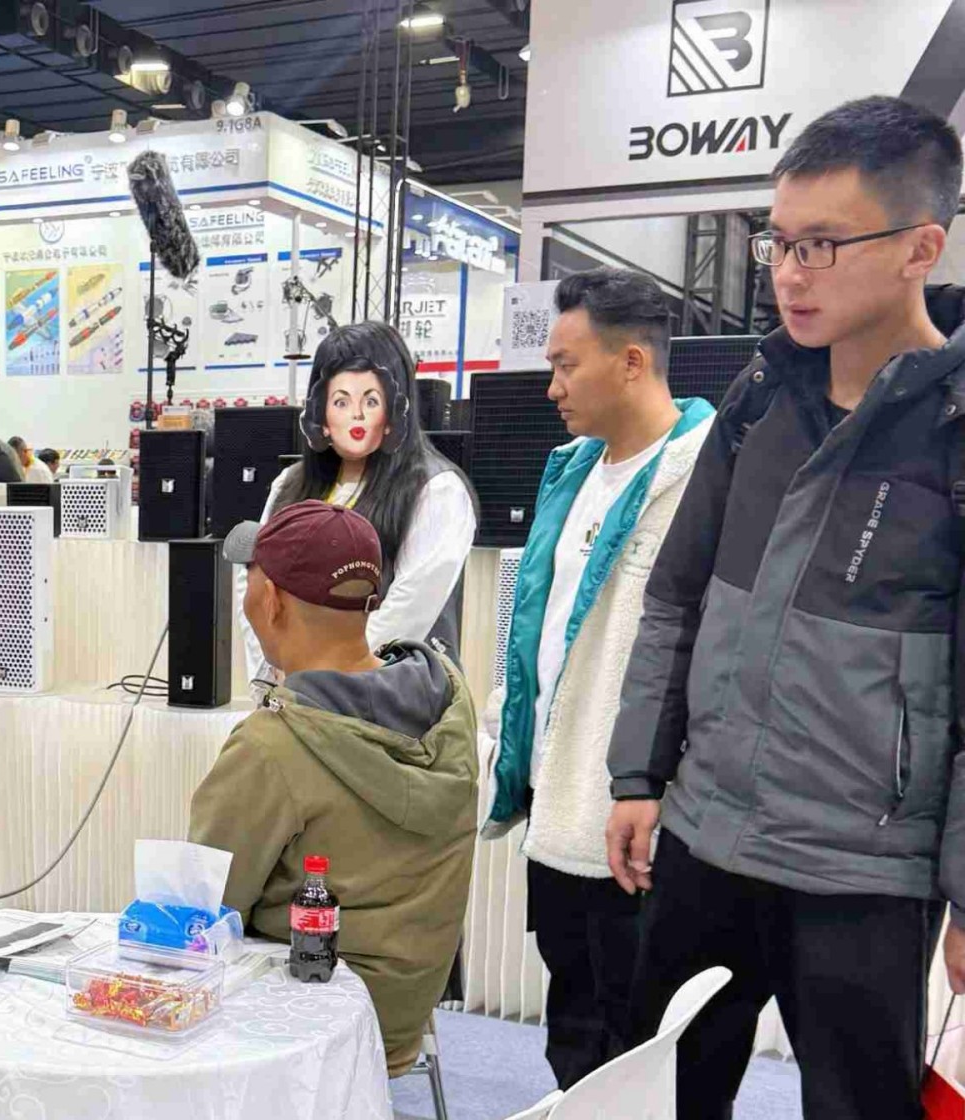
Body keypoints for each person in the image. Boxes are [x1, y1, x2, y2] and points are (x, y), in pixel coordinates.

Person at [606, 95, 965, 1118]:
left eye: (823, 245)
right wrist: (639, 773)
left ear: (921, 247)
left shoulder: (951, 431)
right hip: (707, 834)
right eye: (780, 243)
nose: (790, 273)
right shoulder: (758, 400)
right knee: (652, 1093)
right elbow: (676, 596)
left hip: (865, 872)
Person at [481, 268, 714, 1089]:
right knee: (574, 1022)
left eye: (566, 365)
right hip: (558, 800)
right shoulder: (569, 471)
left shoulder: (706, 476)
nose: (551, 387)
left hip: (642, 816)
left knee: (643, 1038)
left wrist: (655, 782)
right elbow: (535, 628)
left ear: (632, 362)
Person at [189, 500, 478, 1077]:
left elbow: (204, 908)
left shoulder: (272, 746)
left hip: (302, 1024)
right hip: (401, 1013)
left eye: (251, 578)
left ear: (271, 601)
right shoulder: (449, 701)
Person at [241, 321, 476, 684]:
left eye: (370, 400)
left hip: (391, 700)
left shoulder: (437, 491)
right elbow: (256, 587)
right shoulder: (290, 483)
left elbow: (406, 613)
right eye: (340, 401)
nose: (357, 416)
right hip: (292, 695)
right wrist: (273, 679)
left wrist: (317, 686)